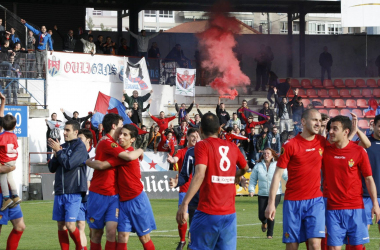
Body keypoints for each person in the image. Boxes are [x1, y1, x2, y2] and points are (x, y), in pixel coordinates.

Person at [176, 113, 248, 250]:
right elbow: (245, 167)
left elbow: (199, 174)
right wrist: (236, 175)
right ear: (219, 130)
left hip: (207, 213)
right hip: (229, 215)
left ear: (200, 130)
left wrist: (184, 203)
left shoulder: (202, 145)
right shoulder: (232, 146)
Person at [86, 124, 154, 250]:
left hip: (136, 200)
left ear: (132, 139)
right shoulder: (119, 153)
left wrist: (88, 162)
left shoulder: (127, 156)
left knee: (144, 237)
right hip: (122, 201)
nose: (120, 137)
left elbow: (102, 165)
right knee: (122, 236)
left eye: (125, 135)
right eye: (120, 133)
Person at [265, 109, 326, 249]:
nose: (318, 123)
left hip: (315, 201)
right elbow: (277, 175)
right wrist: (271, 203)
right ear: (303, 122)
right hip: (293, 202)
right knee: (292, 245)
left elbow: (344, 146)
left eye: (319, 120)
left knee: (315, 245)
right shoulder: (290, 145)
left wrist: (353, 131)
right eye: (314, 120)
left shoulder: (322, 142)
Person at [323, 115, 380, 249]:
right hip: (333, 208)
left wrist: (375, 204)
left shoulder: (359, 151)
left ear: (346, 132)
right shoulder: (325, 150)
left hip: (356, 208)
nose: (330, 131)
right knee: (333, 247)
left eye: (334, 128)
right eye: (330, 128)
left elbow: (368, 178)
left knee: (356, 247)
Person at [47, 120, 89, 250]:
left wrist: (59, 152)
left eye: (67, 130)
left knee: (71, 225)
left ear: (76, 132)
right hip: (60, 192)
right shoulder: (62, 146)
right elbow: (52, 168)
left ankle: (79, 247)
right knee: (61, 225)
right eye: (64, 130)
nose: (64, 133)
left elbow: (69, 164)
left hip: (73, 192)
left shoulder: (80, 147)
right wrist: (55, 153)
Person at [167, 128, 198, 250]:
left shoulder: (200, 151)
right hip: (184, 189)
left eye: (197, 136)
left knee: (195, 219)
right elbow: (176, 158)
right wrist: (172, 160)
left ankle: (192, 241)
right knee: (182, 218)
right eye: (193, 136)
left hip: (197, 191)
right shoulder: (183, 151)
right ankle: (182, 240)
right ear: (187, 137)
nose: (195, 138)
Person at [249, 148, 288, 239]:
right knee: (261, 216)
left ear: (272, 155)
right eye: (264, 153)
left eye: (268, 153)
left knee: (271, 212)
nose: (266, 155)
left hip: (276, 194)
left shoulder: (277, 165)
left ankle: (269, 234)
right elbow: (253, 179)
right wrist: (251, 190)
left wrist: (293, 183)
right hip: (262, 194)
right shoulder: (258, 166)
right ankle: (264, 222)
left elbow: (286, 175)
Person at [77, 128, 96, 250]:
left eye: (80, 139)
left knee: (93, 228)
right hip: (79, 194)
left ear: (88, 140)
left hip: (93, 195)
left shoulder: (97, 152)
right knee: (80, 225)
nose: (78, 141)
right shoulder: (76, 153)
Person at [0, 163, 25, 250]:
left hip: (10, 195)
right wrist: (7, 168)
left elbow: (13, 165)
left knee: (20, 226)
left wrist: (8, 167)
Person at [362, 115, 380, 235]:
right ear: (373, 125)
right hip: (366, 195)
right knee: (361, 235)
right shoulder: (365, 143)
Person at [0, 115, 21, 211]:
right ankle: (16, 195)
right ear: (14, 126)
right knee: (10, 178)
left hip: (5, 160)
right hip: (13, 160)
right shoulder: (14, 136)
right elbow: (15, 146)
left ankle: (6, 198)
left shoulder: (2, 136)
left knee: (2, 178)